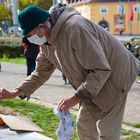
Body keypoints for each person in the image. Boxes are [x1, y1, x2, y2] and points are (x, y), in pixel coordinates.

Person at [0, 4, 139, 140]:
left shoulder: (76, 28)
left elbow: (100, 69)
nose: (29, 39)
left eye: (30, 34)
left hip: (118, 74)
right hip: (94, 79)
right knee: (84, 125)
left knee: (108, 130)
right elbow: (40, 72)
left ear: (41, 27)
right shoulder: (46, 42)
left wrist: (75, 98)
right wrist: (15, 93)